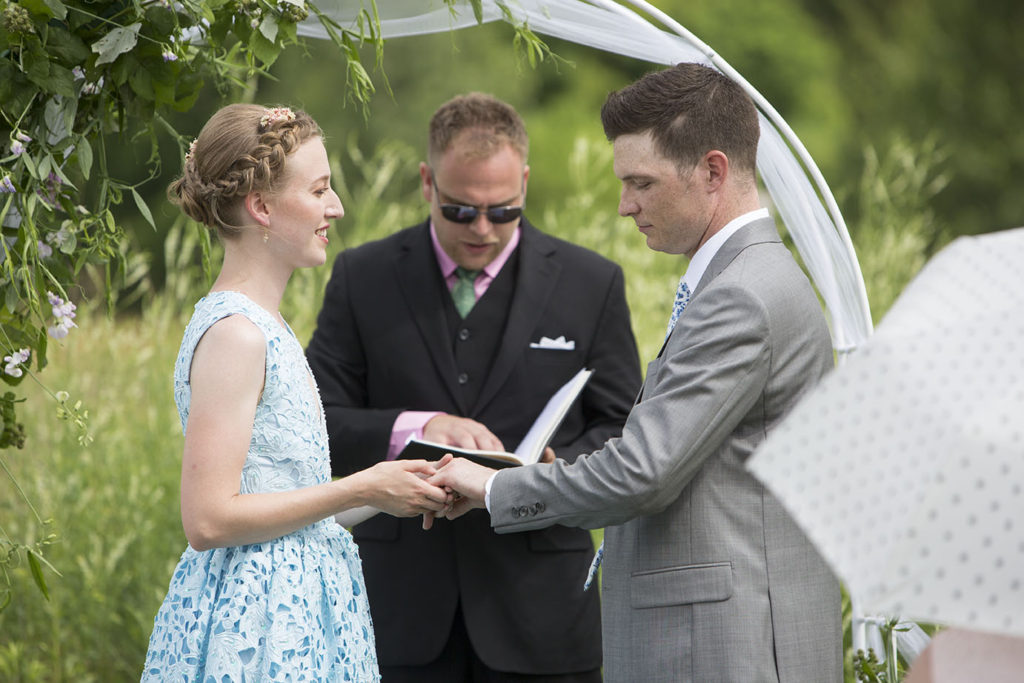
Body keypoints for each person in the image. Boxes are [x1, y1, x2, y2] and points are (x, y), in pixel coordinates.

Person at [430, 64, 844, 682]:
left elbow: (642, 473)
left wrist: (494, 489)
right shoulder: (750, 278)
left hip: (726, 649)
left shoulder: (742, 297)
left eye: (641, 182)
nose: (625, 206)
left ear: (712, 171)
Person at [305, 93, 642, 681]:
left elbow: (622, 431)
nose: (482, 228)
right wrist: (417, 427)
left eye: (503, 210)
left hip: (543, 615)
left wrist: (555, 467)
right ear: (427, 182)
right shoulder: (364, 276)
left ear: (526, 182)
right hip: (397, 611)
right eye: (461, 210)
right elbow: (315, 424)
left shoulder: (592, 284)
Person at [140, 103, 451, 682]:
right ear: (261, 207)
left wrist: (396, 486)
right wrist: (358, 484)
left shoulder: (268, 325)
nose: (336, 207)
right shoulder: (236, 334)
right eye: (319, 190)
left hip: (301, 606)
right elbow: (207, 519)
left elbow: (289, 501)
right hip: (257, 622)